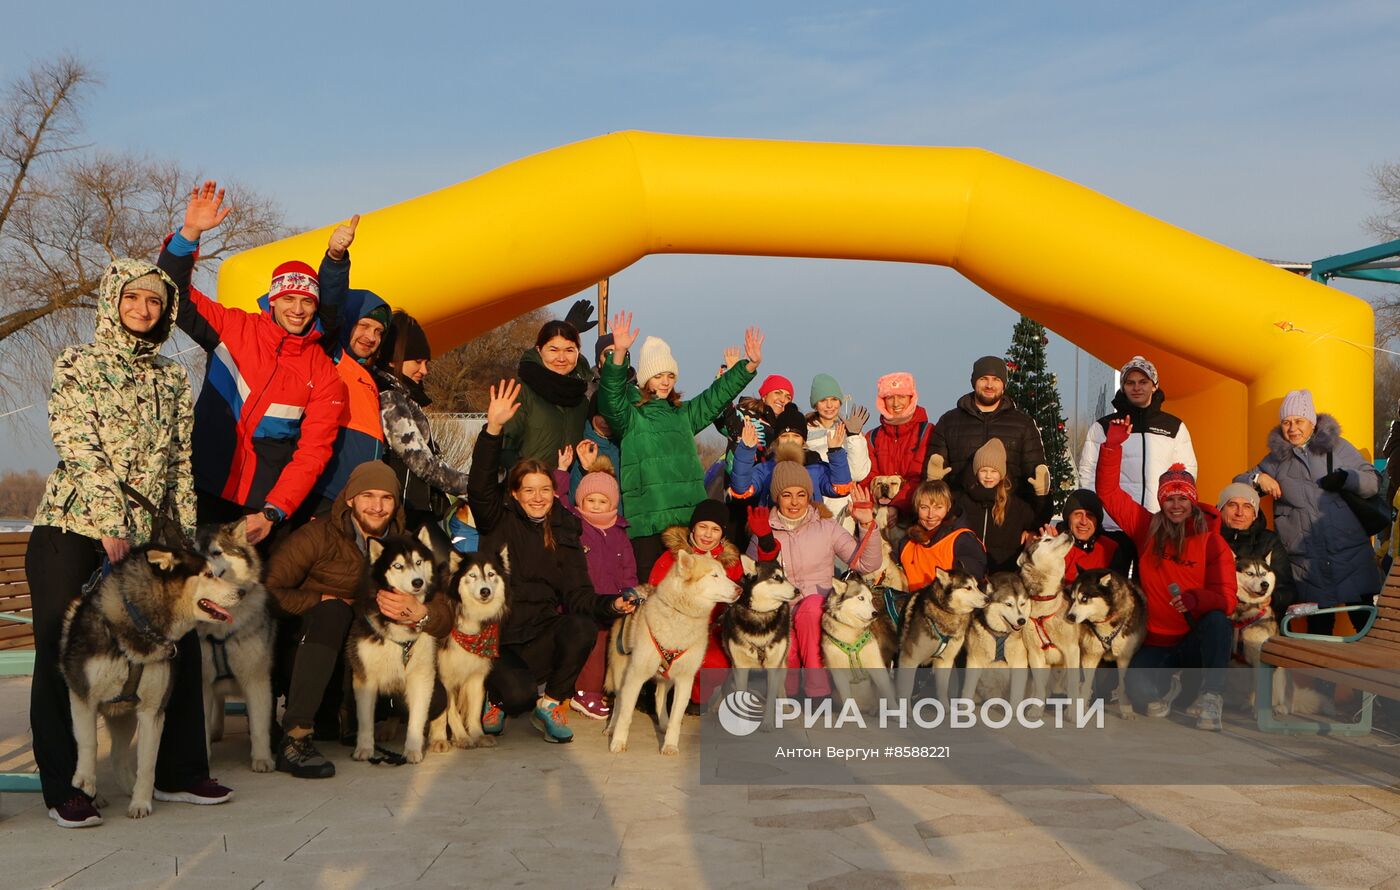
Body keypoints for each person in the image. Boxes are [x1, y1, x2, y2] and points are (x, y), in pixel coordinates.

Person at [28, 256, 228, 829]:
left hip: (147, 541)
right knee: (61, 653)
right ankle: (66, 787)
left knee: (176, 641)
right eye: (133, 299)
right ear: (113, 302)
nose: (144, 309)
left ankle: (180, 771)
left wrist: (185, 540)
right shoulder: (78, 363)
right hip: (73, 528)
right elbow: (76, 441)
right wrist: (111, 521)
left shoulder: (171, 376)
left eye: (155, 302)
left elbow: (178, 465)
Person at [158, 181, 346, 543]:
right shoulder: (236, 328)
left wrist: (274, 511)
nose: (297, 309)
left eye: (306, 301)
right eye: (288, 298)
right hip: (201, 489)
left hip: (262, 513)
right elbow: (172, 294)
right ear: (272, 301)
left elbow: (313, 452)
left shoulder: (322, 372)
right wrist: (190, 234)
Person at [468, 380, 636, 744]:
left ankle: (552, 702)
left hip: (541, 631)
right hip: (497, 636)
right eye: (528, 489)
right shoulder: (498, 519)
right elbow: (480, 485)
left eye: (545, 489)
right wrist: (493, 429)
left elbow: (579, 594)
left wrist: (611, 603)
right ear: (514, 493)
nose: (538, 497)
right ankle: (493, 696)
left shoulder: (563, 528)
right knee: (516, 698)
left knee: (582, 627)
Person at [263, 461, 451, 778]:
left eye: (386, 498)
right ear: (350, 498)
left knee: (435, 703)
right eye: (368, 496)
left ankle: (350, 721)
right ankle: (295, 737)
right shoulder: (316, 536)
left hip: (374, 653)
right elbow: (266, 591)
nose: (377, 507)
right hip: (313, 650)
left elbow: (445, 612)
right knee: (333, 612)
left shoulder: (409, 544)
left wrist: (423, 613)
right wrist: (318, 600)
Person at [597, 311, 764, 576]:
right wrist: (618, 353)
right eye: (658, 375)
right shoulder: (630, 417)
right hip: (648, 523)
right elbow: (610, 398)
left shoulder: (683, 414)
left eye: (670, 375)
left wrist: (749, 366)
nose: (665, 382)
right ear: (645, 378)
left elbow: (714, 397)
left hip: (687, 520)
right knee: (650, 596)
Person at [1098, 418, 1236, 731]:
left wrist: (1196, 599)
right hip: (1157, 641)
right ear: (1161, 500)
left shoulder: (1212, 541)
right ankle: (1177, 688)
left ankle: (1212, 695)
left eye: (1182, 498)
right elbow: (1108, 492)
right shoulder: (1147, 528)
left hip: (1192, 638)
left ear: (1192, 500)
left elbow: (1227, 599)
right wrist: (1113, 446)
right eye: (1169, 498)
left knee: (1218, 622)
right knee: (1141, 693)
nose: (1176, 505)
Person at [1236, 390, 1381, 631]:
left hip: (1350, 556)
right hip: (1307, 564)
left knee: (1367, 629)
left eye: (1298, 421)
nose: (1292, 428)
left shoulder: (1339, 448)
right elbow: (1238, 483)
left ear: (1312, 422)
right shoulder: (1276, 459)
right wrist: (1258, 477)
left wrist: (1347, 479)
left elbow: (1373, 482)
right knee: (1318, 632)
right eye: (1286, 422)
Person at [748, 463, 881, 697]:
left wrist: (866, 524)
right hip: (780, 611)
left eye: (801, 495)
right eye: (786, 495)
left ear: (809, 496)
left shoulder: (826, 526)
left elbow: (867, 564)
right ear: (776, 497)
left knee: (809, 609)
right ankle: (785, 692)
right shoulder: (764, 530)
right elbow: (750, 577)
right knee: (785, 635)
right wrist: (762, 542)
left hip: (816, 609)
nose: (795, 502)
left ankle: (817, 689)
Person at [307, 214, 391, 515]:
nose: (371, 337)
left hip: (357, 501)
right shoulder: (329, 352)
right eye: (365, 326)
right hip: (323, 495)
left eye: (379, 332)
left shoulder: (370, 376)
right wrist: (335, 257)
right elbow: (331, 300)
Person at [1078, 356, 1197, 567]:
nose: (1136, 388)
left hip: (1157, 524)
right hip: (1113, 523)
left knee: (1151, 589)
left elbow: (1187, 473)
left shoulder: (1173, 426)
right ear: (1123, 387)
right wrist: (1099, 513)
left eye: (1143, 382)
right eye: (1130, 382)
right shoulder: (1104, 426)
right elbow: (1088, 473)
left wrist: (1173, 512)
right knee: (1112, 590)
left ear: (1155, 385)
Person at [552, 444, 637, 721]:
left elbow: (628, 568)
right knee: (582, 644)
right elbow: (557, 503)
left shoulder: (619, 531)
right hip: (581, 599)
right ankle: (584, 694)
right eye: (591, 501)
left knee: (604, 647)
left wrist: (630, 592)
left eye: (603, 502)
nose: (596, 507)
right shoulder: (576, 523)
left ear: (613, 504)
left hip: (610, 601)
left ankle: (594, 691)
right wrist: (562, 471)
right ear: (582, 502)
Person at [372, 311, 469, 528]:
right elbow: (420, 461)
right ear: (394, 357)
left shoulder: (403, 394)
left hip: (413, 509)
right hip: (404, 513)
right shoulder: (390, 397)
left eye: (427, 362)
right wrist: (473, 485)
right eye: (417, 361)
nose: (424, 370)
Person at [649, 499, 747, 712]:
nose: (707, 534)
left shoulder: (730, 561)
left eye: (715, 529)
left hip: (712, 630)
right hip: (673, 630)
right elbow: (655, 591)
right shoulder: (674, 557)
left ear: (722, 533)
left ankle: (697, 697)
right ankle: (662, 692)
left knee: (714, 663)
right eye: (703, 526)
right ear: (693, 527)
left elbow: (739, 593)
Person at [931, 356, 1050, 518]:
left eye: (996, 379)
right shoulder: (949, 422)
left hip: (1008, 522)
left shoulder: (1023, 424)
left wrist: (1034, 525)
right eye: (983, 379)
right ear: (974, 382)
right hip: (959, 519)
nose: (989, 385)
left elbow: (1035, 479)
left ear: (1004, 384)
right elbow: (934, 477)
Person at [501, 316, 593, 468]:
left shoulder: (581, 398)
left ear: (578, 353)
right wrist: (523, 480)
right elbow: (506, 447)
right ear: (539, 350)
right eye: (553, 350)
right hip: (530, 486)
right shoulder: (522, 390)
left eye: (569, 350)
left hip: (569, 488)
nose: (561, 358)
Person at [727, 404, 852, 507]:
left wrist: (836, 452)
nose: (790, 440)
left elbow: (840, 488)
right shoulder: (765, 469)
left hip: (809, 530)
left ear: (803, 440)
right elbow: (741, 489)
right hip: (774, 530)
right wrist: (746, 450)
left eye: (796, 436)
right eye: (785, 436)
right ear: (777, 440)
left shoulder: (816, 468)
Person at [864, 371, 941, 523]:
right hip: (879, 516)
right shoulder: (872, 437)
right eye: (890, 398)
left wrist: (897, 506)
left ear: (911, 398)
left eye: (902, 397)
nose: (896, 403)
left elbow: (918, 476)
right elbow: (868, 478)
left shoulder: (927, 432)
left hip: (916, 515)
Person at [954, 438, 1037, 574]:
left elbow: (1036, 520)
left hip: (1004, 575)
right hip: (969, 575)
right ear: (975, 471)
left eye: (993, 471)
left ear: (1002, 474)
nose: (988, 476)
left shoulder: (1015, 505)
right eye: (983, 470)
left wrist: (1031, 531)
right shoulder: (963, 500)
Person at [1216, 483, 1297, 618]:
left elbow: (1288, 590)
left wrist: (1272, 599)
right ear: (1220, 510)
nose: (1239, 513)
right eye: (1232, 505)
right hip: (1220, 617)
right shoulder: (1208, 539)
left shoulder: (1269, 542)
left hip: (1262, 621)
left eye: (1247, 507)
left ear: (1255, 514)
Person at [806, 374, 872, 518]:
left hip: (844, 508)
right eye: (823, 400)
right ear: (815, 404)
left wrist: (854, 436)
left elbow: (858, 473)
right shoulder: (804, 432)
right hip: (814, 507)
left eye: (834, 399)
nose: (829, 406)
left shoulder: (852, 431)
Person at [899, 480, 988, 587]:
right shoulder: (907, 542)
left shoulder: (962, 539)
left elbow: (972, 580)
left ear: (948, 507)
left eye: (938, 508)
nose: (930, 515)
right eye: (924, 508)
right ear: (916, 508)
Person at [1052, 489, 1125, 584]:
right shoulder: (1054, 543)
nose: (1084, 521)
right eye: (1078, 514)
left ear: (1097, 521)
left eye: (1090, 515)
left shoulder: (1109, 549)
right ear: (1068, 518)